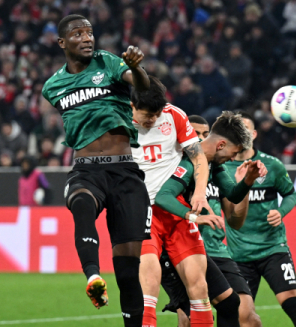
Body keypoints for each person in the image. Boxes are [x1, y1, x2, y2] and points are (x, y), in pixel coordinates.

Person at [42, 14, 151, 327]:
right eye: (78, 34)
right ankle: (92, 276)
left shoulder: (109, 63)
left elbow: (142, 87)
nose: (87, 38)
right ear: (62, 43)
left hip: (125, 171)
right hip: (86, 168)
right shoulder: (53, 87)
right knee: (80, 202)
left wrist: (135, 67)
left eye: (89, 33)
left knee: (129, 272)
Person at [151, 111, 267, 327]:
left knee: (230, 303)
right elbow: (162, 197)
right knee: (190, 316)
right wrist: (194, 216)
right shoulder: (188, 162)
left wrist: (248, 180)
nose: (234, 158)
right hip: (165, 242)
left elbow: (232, 193)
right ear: (221, 144)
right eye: (235, 152)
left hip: (186, 239)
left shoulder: (212, 163)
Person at [128, 76, 212, 327]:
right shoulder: (118, 119)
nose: (153, 119)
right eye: (148, 114)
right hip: (142, 212)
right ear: (132, 105)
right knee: (149, 289)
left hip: (175, 209)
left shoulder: (174, 115)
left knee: (199, 287)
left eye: (157, 113)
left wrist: (199, 191)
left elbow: (199, 158)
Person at [224, 111, 296, 327]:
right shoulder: (223, 170)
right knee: (241, 317)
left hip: (273, 248)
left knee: (292, 303)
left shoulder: (272, 165)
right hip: (239, 254)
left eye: (244, 129)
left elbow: (290, 194)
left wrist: (281, 212)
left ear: (254, 134)